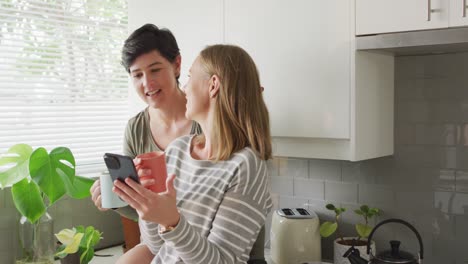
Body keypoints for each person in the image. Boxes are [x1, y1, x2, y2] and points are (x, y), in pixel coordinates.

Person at [90, 24, 266, 263]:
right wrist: (148, 201)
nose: (185, 86)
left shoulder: (245, 164)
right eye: (137, 75)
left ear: (212, 85)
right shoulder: (179, 149)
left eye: (191, 77)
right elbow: (155, 246)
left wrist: (171, 219)